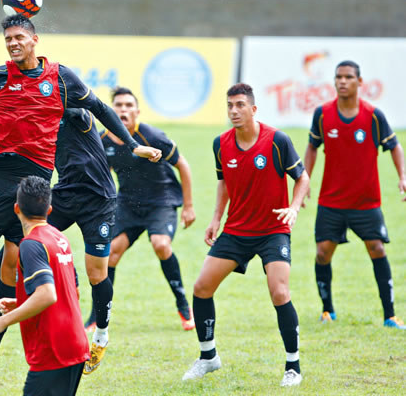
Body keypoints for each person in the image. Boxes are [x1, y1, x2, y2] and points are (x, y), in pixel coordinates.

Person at [0, 13, 161, 392]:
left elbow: (102, 110)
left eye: (19, 36)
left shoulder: (62, 79)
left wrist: (133, 145)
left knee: (13, 263)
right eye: (8, 38)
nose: (13, 43)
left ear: (34, 40)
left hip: (35, 183)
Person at [181, 83, 309, 387]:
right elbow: (223, 182)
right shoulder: (220, 143)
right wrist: (215, 219)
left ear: (253, 109)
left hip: (273, 231)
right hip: (236, 230)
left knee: (279, 292)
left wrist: (293, 207)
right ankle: (208, 357)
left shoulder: (277, 140)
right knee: (201, 287)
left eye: (240, 105)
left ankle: (293, 366)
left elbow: (301, 177)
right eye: (229, 106)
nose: (234, 111)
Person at [304, 60, 406, 329]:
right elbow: (312, 147)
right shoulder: (323, 114)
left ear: (360, 82)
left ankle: (390, 315)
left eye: (349, 77)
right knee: (323, 253)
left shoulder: (373, 115)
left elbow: (394, 146)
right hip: (331, 201)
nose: (342, 81)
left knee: (377, 249)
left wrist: (403, 176)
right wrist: (305, 181)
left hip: (365, 201)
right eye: (338, 77)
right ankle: (327, 311)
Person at [0, 176, 89, 396]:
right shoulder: (58, 238)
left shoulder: (31, 244)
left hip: (54, 350)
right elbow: (70, 292)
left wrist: (1, 321)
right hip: (75, 343)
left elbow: (47, 294)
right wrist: (21, 303)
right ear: (49, 209)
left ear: (16, 208)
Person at [95, 86, 196, 331]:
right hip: (128, 203)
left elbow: (182, 165)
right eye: (118, 105)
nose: (123, 110)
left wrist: (189, 206)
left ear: (137, 111)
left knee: (161, 245)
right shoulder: (103, 139)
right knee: (110, 254)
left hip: (161, 202)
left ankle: (183, 303)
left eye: (129, 106)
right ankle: (97, 316)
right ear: (111, 110)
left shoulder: (152, 136)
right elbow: (104, 175)